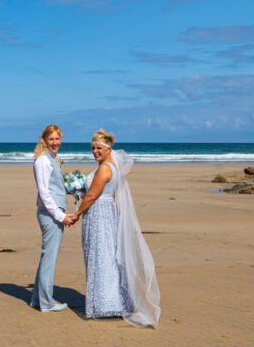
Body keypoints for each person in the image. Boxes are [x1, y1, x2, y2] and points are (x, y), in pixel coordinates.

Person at [65, 128, 160, 327]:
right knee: (107, 255)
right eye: (93, 148)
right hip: (104, 213)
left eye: (99, 148)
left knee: (102, 256)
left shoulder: (105, 169)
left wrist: (77, 214)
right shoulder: (110, 166)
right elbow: (91, 192)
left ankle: (106, 303)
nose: (95, 151)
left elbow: (92, 196)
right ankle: (115, 301)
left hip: (100, 215)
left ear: (108, 149)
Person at [29, 124, 75, 312]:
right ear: (44, 140)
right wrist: (61, 216)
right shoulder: (42, 161)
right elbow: (45, 193)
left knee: (47, 256)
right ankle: (46, 303)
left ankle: (36, 299)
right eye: (51, 139)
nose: (55, 143)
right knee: (49, 257)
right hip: (50, 214)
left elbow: (55, 187)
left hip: (53, 213)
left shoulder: (53, 159)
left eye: (57, 139)